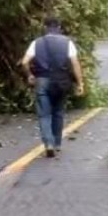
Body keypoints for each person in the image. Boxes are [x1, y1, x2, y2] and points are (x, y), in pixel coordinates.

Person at [21, 17, 85, 158]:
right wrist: (80, 83)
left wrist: (30, 75)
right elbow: (75, 64)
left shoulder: (36, 42)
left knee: (44, 115)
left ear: (45, 27)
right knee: (58, 112)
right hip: (62, 81)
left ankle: (48, 144)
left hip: (42, 80)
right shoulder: (67, 42)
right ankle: (56, 144)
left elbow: (25, 62)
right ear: (59, 27)